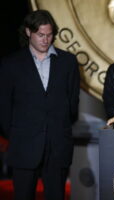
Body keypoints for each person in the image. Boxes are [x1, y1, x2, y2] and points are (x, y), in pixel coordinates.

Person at [0, 10, 80, 200]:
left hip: (58, 146)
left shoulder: (68, 62)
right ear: (28, 32)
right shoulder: (11, 64)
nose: (46, 40)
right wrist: (17, 135)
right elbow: (3, 106)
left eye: (50, 35)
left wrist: (59, 129)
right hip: (23, 146)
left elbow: (73, 103)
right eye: (40, 35)